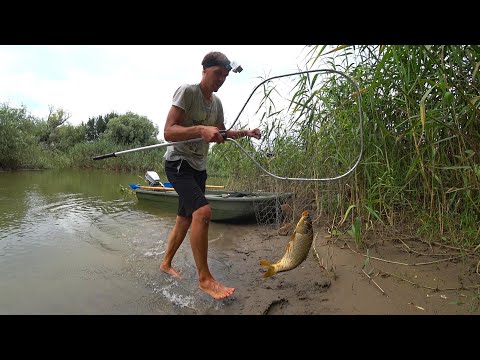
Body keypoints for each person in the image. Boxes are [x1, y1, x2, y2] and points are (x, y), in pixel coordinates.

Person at [159, 51, 261, 300]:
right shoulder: (188, 92)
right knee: (202, 212)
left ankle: (165, 264)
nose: (221, 80)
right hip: (178, 162)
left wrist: (246, 132)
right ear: (205, 70)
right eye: (218, 74)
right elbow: (168, 132)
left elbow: (222, 133)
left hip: (199, 166)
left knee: (184, 219)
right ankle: (205, 279)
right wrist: (200, 129)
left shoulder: (217, 104)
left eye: (225, 76)